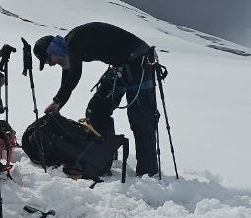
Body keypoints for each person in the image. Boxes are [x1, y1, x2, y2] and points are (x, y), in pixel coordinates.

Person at [34, 23, 160, 176]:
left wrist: (56, 101)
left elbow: (75, 75)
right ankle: (105, 156)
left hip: (140, 61)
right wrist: (58, 105)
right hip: (121, 66)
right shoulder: (68, 50)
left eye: (48, 59)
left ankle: (148, 172)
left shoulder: (73, 42)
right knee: (97, 110)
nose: (50, 64)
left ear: (53, 49)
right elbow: (67, 79)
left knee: (141, 118)